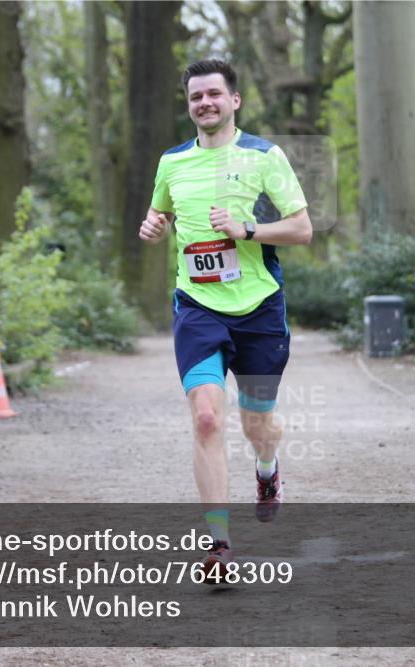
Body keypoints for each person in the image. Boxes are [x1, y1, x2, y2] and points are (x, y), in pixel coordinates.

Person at [139, 59, 313, 580]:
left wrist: (246, 229)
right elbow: (161, 213)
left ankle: (267, 469)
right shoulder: (171, 162)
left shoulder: (264, 156)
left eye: (214, 94)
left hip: (259, 309)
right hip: (197, 307)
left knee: (258, 424)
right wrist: (154, 225)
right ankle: (218, 544)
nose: (205, 103)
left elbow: (302, 229)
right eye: (196, 96)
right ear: (189, 105)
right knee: (207, 417)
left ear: (234, 100)